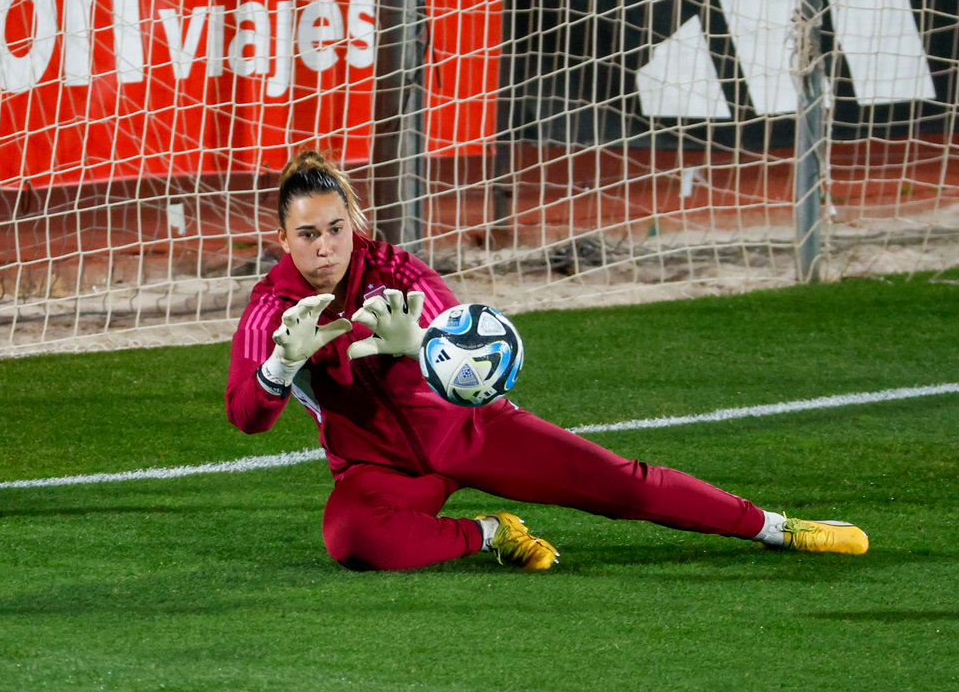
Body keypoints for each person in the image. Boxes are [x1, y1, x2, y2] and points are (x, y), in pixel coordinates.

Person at [225, 151, 869, 571]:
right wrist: (280, 369)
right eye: (307, 234)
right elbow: (246, 417)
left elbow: (476, 352)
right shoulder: (271, 309)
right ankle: (491, 532)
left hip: (475, 434)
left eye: (336, 228)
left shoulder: (395, 270)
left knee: (623, 484)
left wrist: (421, 344)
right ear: (282, 240)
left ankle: (779, 529)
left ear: (354, 223)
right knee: (352, 538)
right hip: (382, 467)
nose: (325, 246)